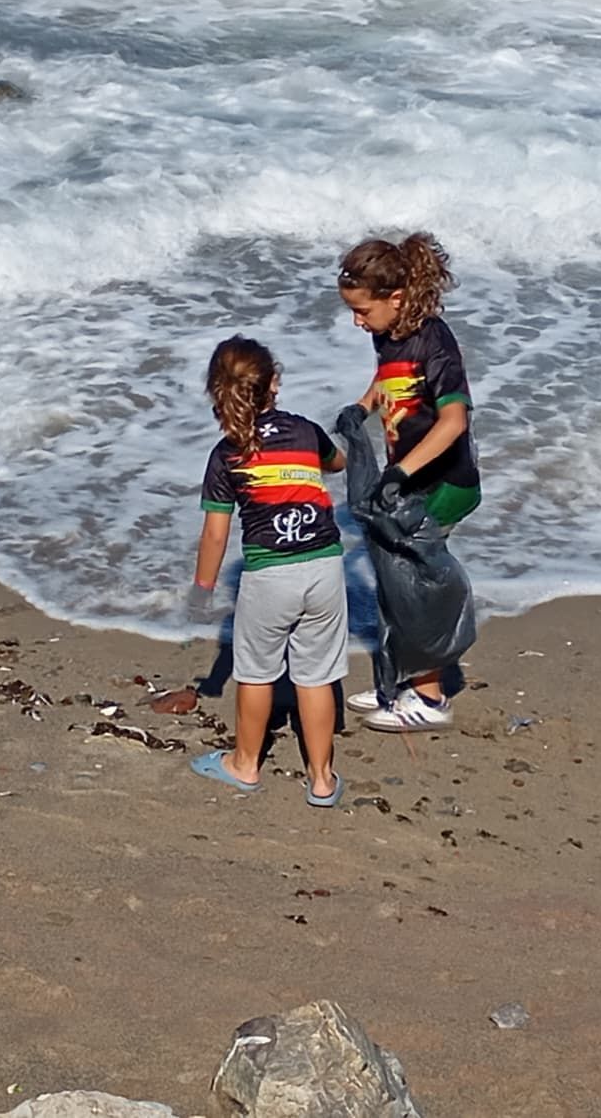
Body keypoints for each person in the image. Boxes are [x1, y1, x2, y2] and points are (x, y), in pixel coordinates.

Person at [187, 335, 349, 806]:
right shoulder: (305, 432)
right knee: (316, 676)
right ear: (273, 383)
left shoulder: (226, 454)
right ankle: (321, 780)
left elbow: (216, 535)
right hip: (324, 568)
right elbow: (337, 463)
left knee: (257, 673)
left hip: (269, 576)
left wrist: (202, 590)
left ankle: (245, 765)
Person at [337, 232, 480, 731]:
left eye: (363, 311)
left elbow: (453, 421)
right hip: (413, 478)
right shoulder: (390, 334)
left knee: (416, 579)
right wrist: (362, 407)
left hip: (446, 481)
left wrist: (398, 472)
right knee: (395, 573)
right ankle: (400, 683)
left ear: (395, 299)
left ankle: (431, 700)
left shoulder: (433, 341)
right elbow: (388, 379)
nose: (358, 322)